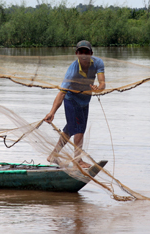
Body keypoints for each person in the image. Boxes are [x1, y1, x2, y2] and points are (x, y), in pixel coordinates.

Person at [43, 40, 105, 169]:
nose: (83, 55)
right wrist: (52, 112)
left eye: (86, 52)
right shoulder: (72, 70)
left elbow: (102, 83)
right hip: (71, 100)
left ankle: (53, 155)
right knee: (78, 130)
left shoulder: (98, 63)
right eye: (81, 52)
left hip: (85, 100)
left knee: (71, 129)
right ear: (76, 53)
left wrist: (98, 88)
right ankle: (78, 161)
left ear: (91, 53)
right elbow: (62, 93)